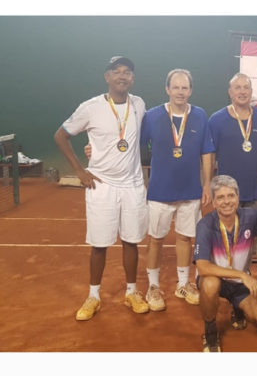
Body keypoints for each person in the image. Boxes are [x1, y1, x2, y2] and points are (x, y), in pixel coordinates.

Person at [54, 56, 149, 320]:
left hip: (132, 185)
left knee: (131, 241)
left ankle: (132, 292)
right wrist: (79, 170)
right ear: (107, 77)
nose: (122, 76)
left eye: (127, 72)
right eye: (116, 71)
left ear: (132, 78)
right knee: (99, 244)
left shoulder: (139, 105)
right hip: (101, 185)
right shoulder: (90, 107)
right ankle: (93, 296)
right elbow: (60, 135)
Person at [141, 69, 215, 312]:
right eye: (176, 87)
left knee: (185, 237)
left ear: (190, 90)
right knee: (156, 239)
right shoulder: (152, 116)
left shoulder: (200, 115)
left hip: (190, 190)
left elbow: (207, 151)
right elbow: (134, 146)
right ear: (167, 89)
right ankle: (153, 286)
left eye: (185, 88)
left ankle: (183, 284)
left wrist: (207, 183)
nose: (180, 92)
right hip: (159, 191)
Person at [194, 175, 257, 352]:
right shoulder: (205, 225)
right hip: (216, 279)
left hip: (239, 284)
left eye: (231, 195)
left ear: (238, 197)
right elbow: (203, 267)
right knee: (210, 284)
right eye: (220, 197)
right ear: (213, 202)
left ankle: (237, 307)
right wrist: (242, 275)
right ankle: (210, 331)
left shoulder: (251, 216)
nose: (227, 201)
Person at [208, 73, 257, 210]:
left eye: (246, 87)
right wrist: (209, 185)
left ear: (251, 92)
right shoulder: (216, 120)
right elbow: (210, 157)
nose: (242, 92)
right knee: (226, 224)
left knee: (253, 224)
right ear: (230, 92)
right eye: (237, 88)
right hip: (225, 193)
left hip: (255, 191)